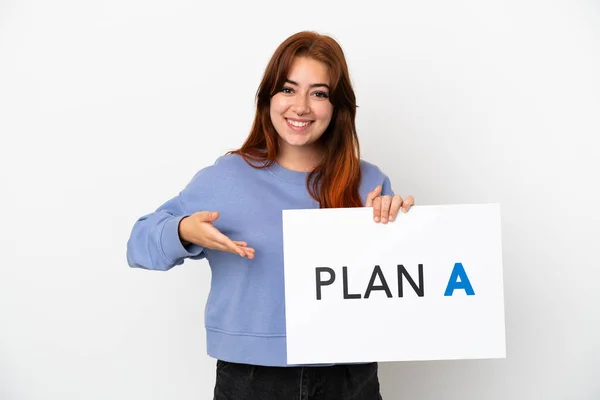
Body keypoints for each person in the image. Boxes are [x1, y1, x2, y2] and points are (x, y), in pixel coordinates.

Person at [126, 31, 414, 400]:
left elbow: (395, 287)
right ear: (268, 98)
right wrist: (183, 231)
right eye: (288, 89)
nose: (302, 106)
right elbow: (138, 244)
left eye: (319, 93)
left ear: (337, 106)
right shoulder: (225, 178)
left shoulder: (370, 182)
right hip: (250, 379)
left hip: (349, 376)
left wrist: (398, 226)